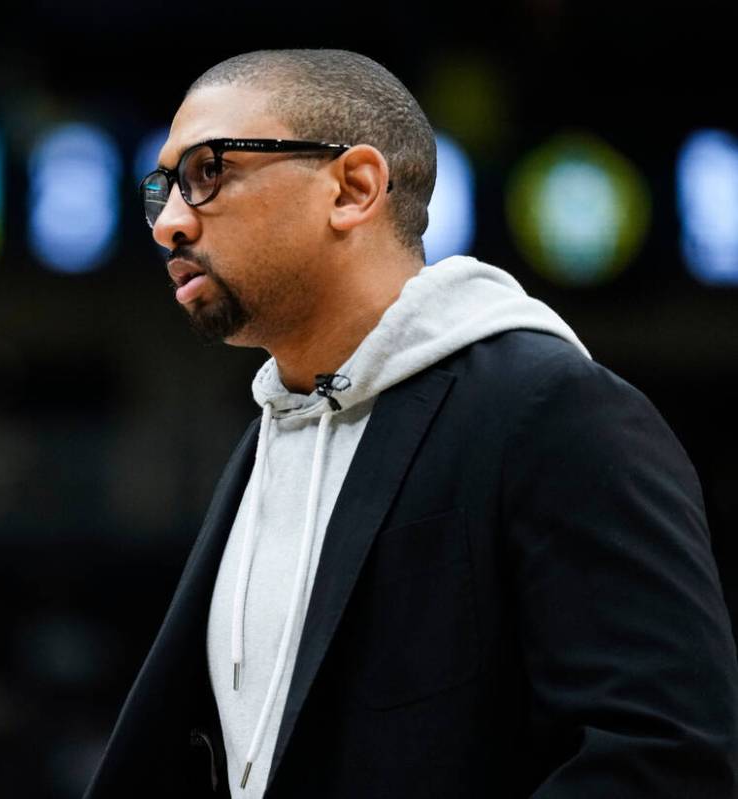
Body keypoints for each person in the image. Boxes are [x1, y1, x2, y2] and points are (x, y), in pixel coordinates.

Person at [83, 49, 738, 798]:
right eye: (160, 188)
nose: (168, 222)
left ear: (352, 188)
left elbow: (661, 757)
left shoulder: (554, 409)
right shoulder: (270, 435)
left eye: (207, 173)